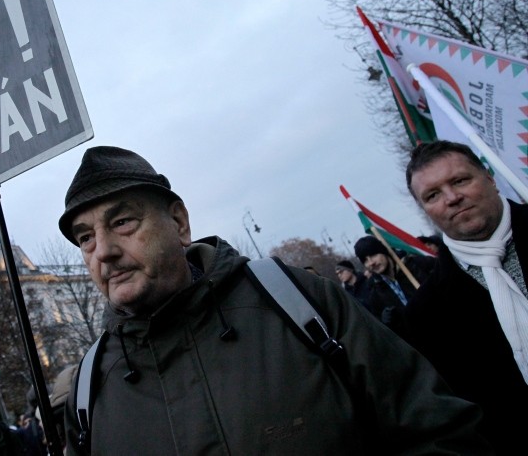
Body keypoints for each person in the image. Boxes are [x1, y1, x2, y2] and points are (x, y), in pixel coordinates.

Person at [58, 145, 489, 455]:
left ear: (178, 222)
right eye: (85, 237)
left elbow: (439, 428)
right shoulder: (89, 388)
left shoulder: (298, 301)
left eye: (123, 222)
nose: (103, 250)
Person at [404, 139, 528, 455]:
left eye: (460, 180)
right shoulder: (425, 315)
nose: (452, 198)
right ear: (425, 210)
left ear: (489, 177)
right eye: (433, 195)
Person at [353, 235, 433, 332]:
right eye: (365, 260)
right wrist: (386, 322)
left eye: (373, 255)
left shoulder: (417, 264)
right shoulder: (375, 294)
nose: (371, 263)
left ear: (383, 251)